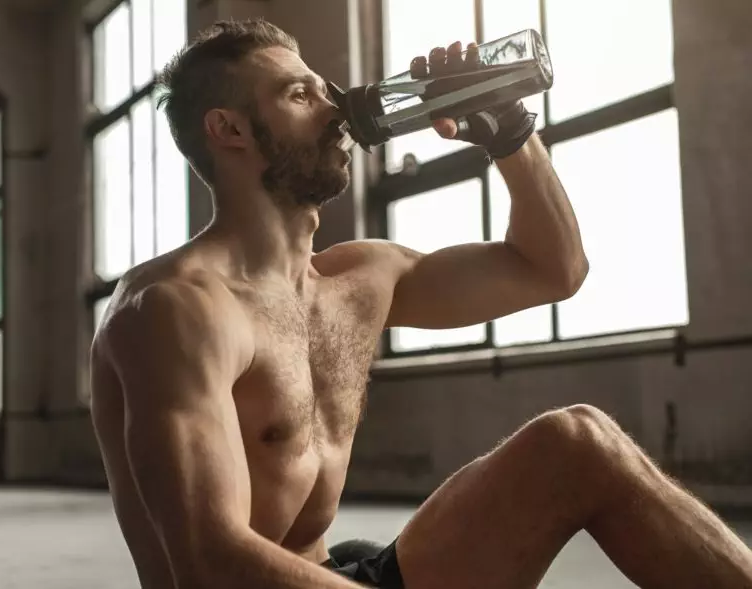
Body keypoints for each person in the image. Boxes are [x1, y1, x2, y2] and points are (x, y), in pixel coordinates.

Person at [88, 18, 752, 589]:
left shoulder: (359, 277)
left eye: (326, 89)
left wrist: (509, 135)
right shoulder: (173, 310)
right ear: (228, 129)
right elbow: (207, 563)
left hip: (341, 572)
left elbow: (554, 270)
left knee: (577, 440)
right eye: (298, 94)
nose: (334, 109)